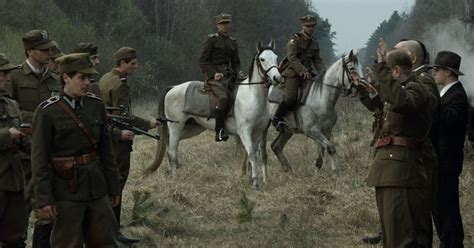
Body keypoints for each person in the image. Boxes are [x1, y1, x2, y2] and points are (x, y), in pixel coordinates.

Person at [31, 53, 120, 247]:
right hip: (65, 191)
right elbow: (39, 160)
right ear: (66, 78)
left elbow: (106, 152)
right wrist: (44, 199)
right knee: (67, 243)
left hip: (97, 189)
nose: (87, 83)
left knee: (106, 241)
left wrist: (113, 187)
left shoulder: (96, 106)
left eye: (90, 78)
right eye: (82, 77)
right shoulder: (47, 111)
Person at [362, 39, 439, 246]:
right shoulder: (406, 86)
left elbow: (405, 104)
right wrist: (371, 89)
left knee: (405, 234)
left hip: (404, 166)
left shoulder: (421, 83)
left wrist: (383, 71)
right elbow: (390, 108)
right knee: (396, 232)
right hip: (393, 165)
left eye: (388, 69)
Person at [6, 30, 61, 247]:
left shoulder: (56, 79)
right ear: (30, 51)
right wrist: (42, 117)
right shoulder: (14, 77)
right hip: (22, 154)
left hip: (49, 152)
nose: (49, 53)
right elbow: (9, 111)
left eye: (49, 48)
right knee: (19, 209)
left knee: (46, 209)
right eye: (43, 49)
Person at [98, 47, 158, 244]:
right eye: (132, 63)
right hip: (118, 140)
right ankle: (113, 230)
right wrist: (148, 123)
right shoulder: (120, 84)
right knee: (117, 183)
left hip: (107, 137)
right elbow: (124, 117)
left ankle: (109, 226)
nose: (135, 66)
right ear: (122, 63)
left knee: (109, 182)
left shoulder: (105, 78)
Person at [431, 51, 467, 248]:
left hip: (447, 162)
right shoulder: (447, 93)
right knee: (440, 207)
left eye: (437, 69)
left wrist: (433, 103)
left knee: (447, 207)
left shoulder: (457, 96)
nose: (434, 73)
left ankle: (453, 244)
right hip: (441, 161)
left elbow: (448, 123)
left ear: (447, 72)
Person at [273, 14, 326, 132]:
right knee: (291, 98)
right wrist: (302, 71)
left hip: (308, 73)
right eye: (308, 26)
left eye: (312, 26)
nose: (310, 28)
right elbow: (292, 58)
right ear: (303, 26)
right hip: (293, 73)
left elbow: (317, 60)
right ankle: (277, 118)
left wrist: (325, 73)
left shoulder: (314, 43)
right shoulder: (294, 40)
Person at [199, 13, 241, 142]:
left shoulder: (233, 42)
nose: (225, 26)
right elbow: (203, 60)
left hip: (230, 75)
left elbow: (236, 62)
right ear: (217, 25)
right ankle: (220, 130)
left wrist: (238, 72)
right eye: (222, 23)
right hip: (215, 77)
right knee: (223, 97)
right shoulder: (212, 39)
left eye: (227, 23)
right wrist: (213, 73)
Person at [0, 54, 27, 248]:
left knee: (15, 239)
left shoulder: (12, 104)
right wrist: (6, 135)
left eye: (8, 73)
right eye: (3, 74)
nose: (8, 78)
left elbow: (24, 138)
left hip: (14, 182)